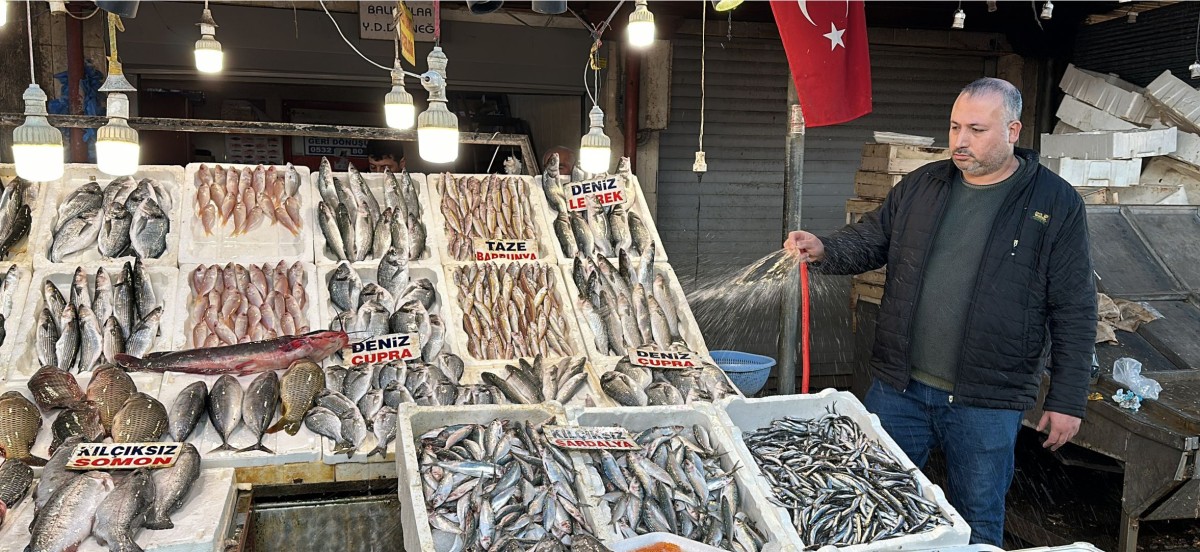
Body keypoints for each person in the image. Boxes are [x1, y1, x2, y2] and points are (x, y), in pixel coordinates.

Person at [783, 77, 1096, 546]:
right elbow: (874, 238)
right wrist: (826, 249)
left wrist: (1067, 399)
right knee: (870, 501)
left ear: (1013, 131)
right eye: (954, 127)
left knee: (976, 520)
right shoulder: (923, 184)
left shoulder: (1055, 202)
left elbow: (1073, 305)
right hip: (900, 388)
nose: (960, 141)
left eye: (976, 129)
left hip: (986, 398)